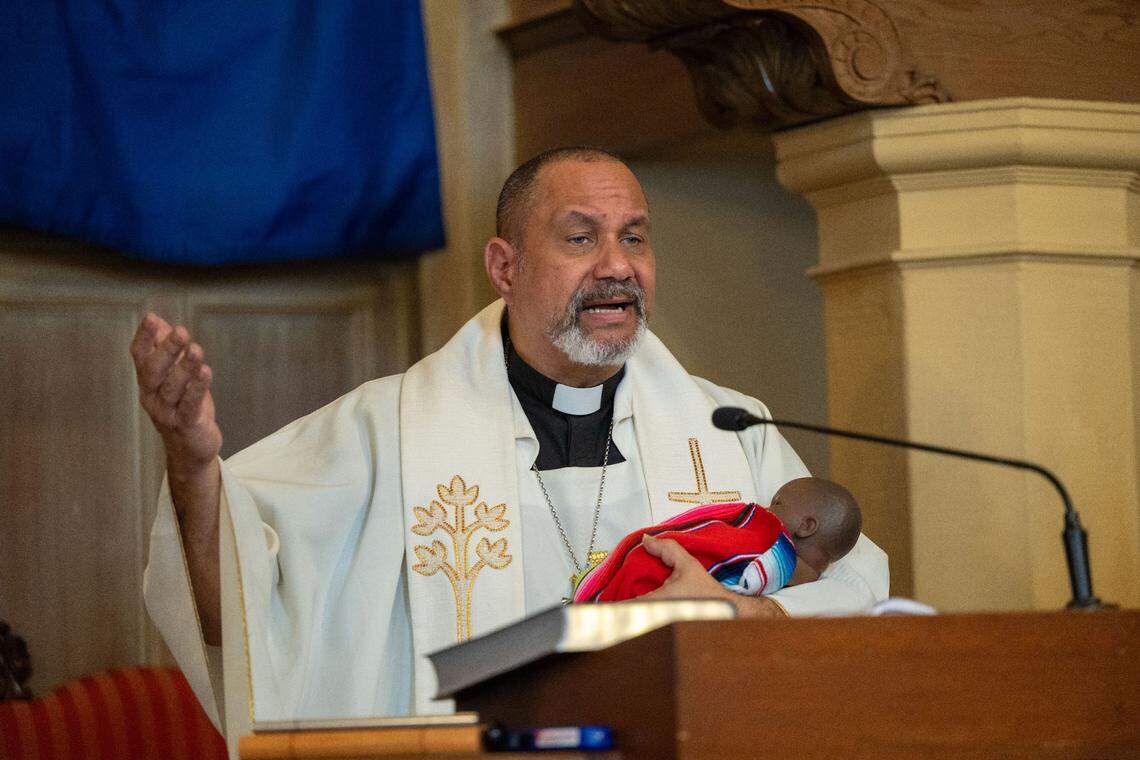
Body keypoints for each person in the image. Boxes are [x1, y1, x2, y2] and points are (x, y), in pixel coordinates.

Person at [134, 147, 888, 732]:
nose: (617, 266)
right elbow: (235, 609)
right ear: (505, 266)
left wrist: (743, 616)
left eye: (634, 238)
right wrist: (195, 463)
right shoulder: (384, 432)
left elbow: (860, 587)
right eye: (580, 237)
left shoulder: (731, 430)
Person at [573, 477, 862, 602]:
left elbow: (742, 587)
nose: (766, 509)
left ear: (807, 526)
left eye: (778, 503)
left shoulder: (781, 555)